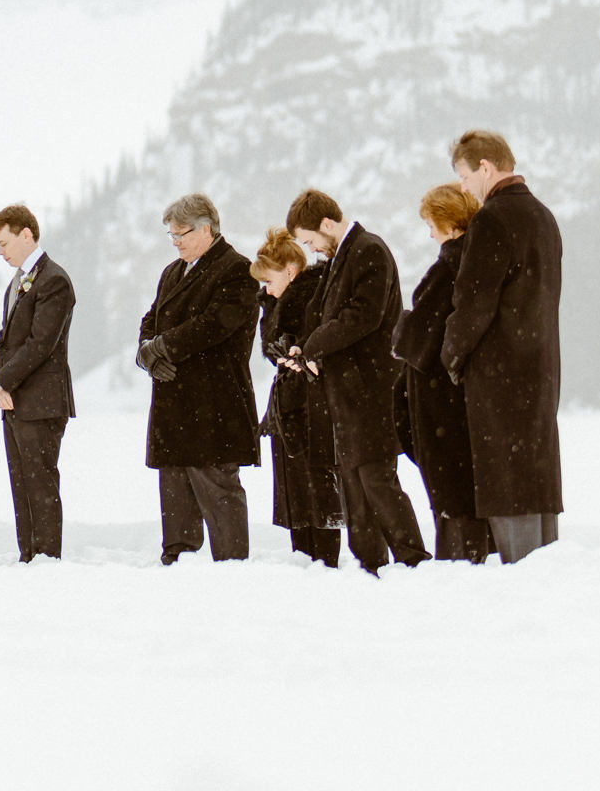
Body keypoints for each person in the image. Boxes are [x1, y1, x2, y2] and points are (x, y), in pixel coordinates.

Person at [288, 189, 429, 574]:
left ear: (327, 224)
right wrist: (302, 348)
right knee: (354, 480)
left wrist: (313, 346)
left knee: (376, 478)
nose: (312, 248)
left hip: (372, 391)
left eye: (311, 240)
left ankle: (412, 559)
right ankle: (370, 564)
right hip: (346, 392)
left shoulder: (369, 251)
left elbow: (361, 316)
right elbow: (322, 315)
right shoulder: (339, 258)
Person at [441, 130, 564, 564]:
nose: (462, 187)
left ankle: (523, 590)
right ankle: (545, 577)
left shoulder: (491, 220)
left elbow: (473, 303)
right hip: (541, 368)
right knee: (537, 487)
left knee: (508, 487)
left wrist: (451, 356)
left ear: (486, 168)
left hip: (500, 375)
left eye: (463, 175)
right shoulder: (544, 217)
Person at [134, 193, 260, 564]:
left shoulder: (237, 269)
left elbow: (214, 325)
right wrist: (147, 356)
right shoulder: (172, 272)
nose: (175, 242)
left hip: (213, 405)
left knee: (219, 490)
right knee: (175, 493)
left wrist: (162, 348)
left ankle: (232, 567)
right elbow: (150, 321)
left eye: (181, 234)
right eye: (171, 236)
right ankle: (178, 560)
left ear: (207, 229)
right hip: (174, 405)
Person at [392, 184, 492, 563]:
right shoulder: (469, 261)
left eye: (432, 224)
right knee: (458, 488)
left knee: (450, 491)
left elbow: (424, 333)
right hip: (448, 398)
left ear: (449, 224)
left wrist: (401, 327)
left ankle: (459, 561)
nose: (429, 232)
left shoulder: (452, 264)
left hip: (439, 401)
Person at [0, 204, 76, 563]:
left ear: (26, 234)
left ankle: (47, 557)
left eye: (4, 242)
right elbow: (5, 339)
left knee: (40, 483)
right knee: (20, 482)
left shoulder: (54, 280)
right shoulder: (18, 281)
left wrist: (3, 380)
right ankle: (28, 555)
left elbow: (42, 344)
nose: (0, 251)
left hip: (42, 402)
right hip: (15, 400)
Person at [250, 228, 341, 567]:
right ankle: (305, 559)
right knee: (295, 492)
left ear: (290, 269)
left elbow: (309, 346)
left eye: (269, 280)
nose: (266, 288)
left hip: (311, 403)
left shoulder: (313, 295)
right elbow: (275, 350)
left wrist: (293, 351)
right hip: (288, 404)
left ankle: (323, 561)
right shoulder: (276, 301)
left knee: (317, 487)